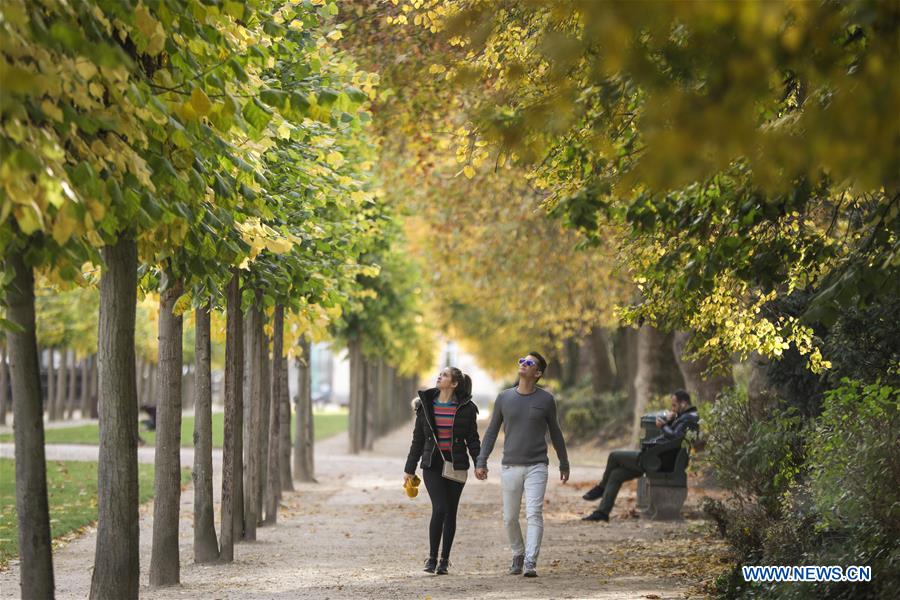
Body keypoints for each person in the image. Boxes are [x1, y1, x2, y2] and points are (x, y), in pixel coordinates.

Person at [474, 351, 569, 578]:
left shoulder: (546, 400)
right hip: (510, 466)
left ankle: (530, 561)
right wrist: (481, 460)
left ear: (537, 373)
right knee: (509, 517)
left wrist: (564, 462)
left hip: (537, 465)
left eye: (529, 363)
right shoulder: (504, 398)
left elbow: (555, 432)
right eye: (521, 361)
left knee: (534, 513)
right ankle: (518, 552)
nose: (523, 364)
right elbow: (491, 432)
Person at [404, 366, 481, 575]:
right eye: (440, 374)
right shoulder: (425, 405)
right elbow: (418, 440)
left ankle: (444, 560)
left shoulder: (466, 408)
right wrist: (409, 468)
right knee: (439, 508)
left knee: (451, 512)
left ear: (454, 384)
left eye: (445, 375)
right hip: (433, 464)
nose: (440, 376)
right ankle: (431, 558)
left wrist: (479, 463)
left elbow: (472, 439)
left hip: (456, 465)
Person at [581, 389, 699, 522]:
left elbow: (675, 438)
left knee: (614, 456)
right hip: (660, 458)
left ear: (683, 403)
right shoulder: (687, 417)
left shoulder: (689, 419)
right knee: (616, 474)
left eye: (674, 405)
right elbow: (675, 437)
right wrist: (670, 422)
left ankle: (601, 487)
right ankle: (602, 513)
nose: (672, 409)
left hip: (658, 461)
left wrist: (664, 425)